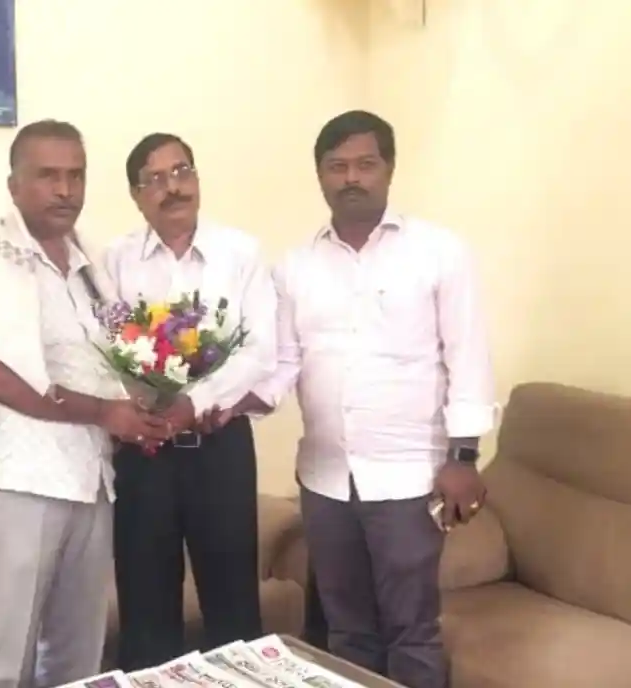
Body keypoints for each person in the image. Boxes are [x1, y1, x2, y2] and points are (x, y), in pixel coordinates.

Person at [249, 110, 495, 688]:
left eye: (365, 164)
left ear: (389, 168)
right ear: (320, 175)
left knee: (412, 631)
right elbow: (284, 362)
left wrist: (463, 458)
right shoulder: (295, 266)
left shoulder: (439, 252)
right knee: (346, 631)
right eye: (337, 167)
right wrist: (230, 403)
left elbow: (468, 356)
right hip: (326, 479)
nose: (351, 178)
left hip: (408, 478)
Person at [0, 121, 170, 688]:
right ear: (15, 185)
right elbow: (0, 378)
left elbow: (114, 358)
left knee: (77, 657)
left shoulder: (90, 267)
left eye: (76, 176)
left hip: (91, 479)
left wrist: (147, 401)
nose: (65, 190)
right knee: (6, 661)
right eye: (48, 176)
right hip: (19, 484)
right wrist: (106, 413)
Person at [105, 133, 278, 670]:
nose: (173, 188)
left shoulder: (241, 253)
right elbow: (102, 348)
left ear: (197, 178)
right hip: (144, 452)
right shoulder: (114, 260)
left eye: (181, 172)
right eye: (155, 179)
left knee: (234, 609)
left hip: (218, 446)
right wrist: (138, 406)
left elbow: (260, 349)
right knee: (146, 610)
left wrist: (195, 402)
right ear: (137, 196)